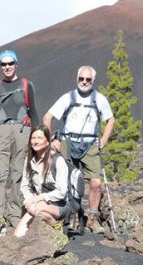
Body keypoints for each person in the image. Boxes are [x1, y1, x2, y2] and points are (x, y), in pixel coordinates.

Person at [43, 65, 115, 234]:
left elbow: (111, 120)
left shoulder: (99, 99)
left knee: (96, 183)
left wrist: (104, 139)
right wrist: (52, 139)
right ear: (77, 79)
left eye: (88, 79)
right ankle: (69, 215)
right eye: (81, 79)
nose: (84, 82)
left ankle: (92, 218)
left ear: (93, 81)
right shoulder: (68, 98)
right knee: (67, 181)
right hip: (68, 141)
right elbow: (48, 117)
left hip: (90, 144)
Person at [0, 49, 39, 227]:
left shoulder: (26, 85)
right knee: (0, 173)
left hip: (22, 131)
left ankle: (15, 214)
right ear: (0, 66)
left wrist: (35, 137)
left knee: (18, 173)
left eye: (10, 63)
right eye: (4, 64)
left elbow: (33, 113)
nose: (7, 67)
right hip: (1, 132)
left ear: (16, 64)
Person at [14, 126, 70, 237]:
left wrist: (39, 198)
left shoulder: (58, 160)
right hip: (37, 204)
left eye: (39, 138)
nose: (35, 141)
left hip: (60, 205)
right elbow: (24, 186)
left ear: (47, 141)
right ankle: (54, 226)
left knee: (35, 209)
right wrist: (30, 199)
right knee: (19, 233)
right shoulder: (29, 161)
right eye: (33, 138)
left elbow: (61, 192)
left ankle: (56, 230)